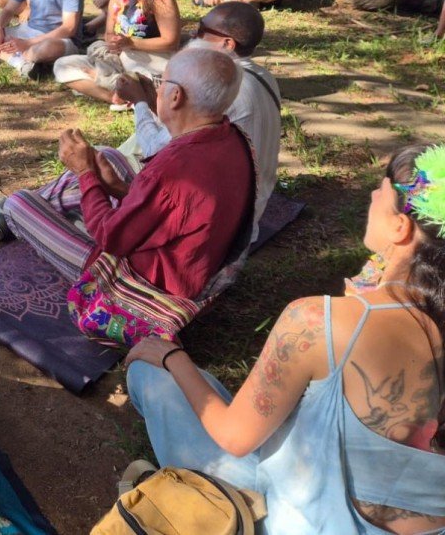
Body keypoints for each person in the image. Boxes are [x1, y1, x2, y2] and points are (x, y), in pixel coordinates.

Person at [126, 143, 445, 535]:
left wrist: (172, 355)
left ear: (401, 226)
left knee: (152, 374)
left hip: (306, 521)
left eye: (381, 189)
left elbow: (234, 437)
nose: (374, 195)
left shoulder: (318, 320)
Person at [0, 48, 255, 347]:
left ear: (176, 97)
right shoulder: (230, 138)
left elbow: (111, 238)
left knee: (20, 203)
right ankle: (36, 212)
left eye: (162, 82)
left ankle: (12, 215)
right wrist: (115, 187)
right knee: (106, 155)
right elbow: (174, 212)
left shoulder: (176, 167)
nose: (157, 89)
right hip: (189, 261)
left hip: (146, 283)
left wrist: (84, 174)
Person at [113, 2, 280, 244]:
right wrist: (151, 101)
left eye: (202, 31)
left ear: (227, 44)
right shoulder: (260, 75)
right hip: (247, 200)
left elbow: (162, 153)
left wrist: (140, 102)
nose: (193, 35)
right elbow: (187, 131)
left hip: (225, 221)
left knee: (105, 159)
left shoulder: (221, 87)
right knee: (129, 145)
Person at [54, 0, 180, 104]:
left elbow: (172, 41)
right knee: (61, 65)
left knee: (129, 60)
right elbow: (108, 34)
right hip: (119, 59)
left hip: (150, 60)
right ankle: (116, 97)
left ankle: (112, 82)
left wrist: (132, 43)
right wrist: (113, 42)